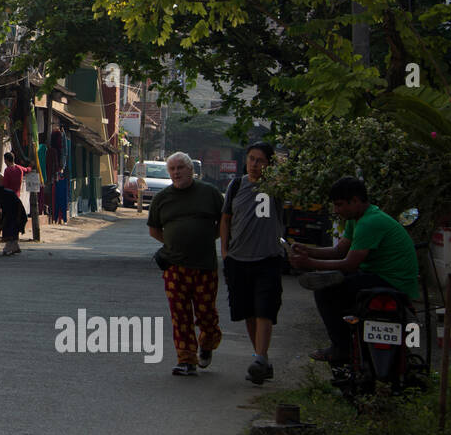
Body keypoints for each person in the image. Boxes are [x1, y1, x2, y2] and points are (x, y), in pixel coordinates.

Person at [289, 176, 420, 365]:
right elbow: (339, 251)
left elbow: (350, 263)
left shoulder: (370, 222)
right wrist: (307, 250)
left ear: (356, 201)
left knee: (325, 291)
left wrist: (309, 263)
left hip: (391, 282)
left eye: (340, 205)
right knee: (335, 281)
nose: (336, 210)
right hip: (377, 276)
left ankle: (341, 348)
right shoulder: (357, 219)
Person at [147, 151, 224, 376]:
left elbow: (225, 223)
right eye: (172, 169)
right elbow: (154, 230)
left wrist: (206, 239)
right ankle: (186, 359)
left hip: (204, 266)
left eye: (180, 167)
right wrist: (174, 245)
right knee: (180, 315)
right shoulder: (162, 198)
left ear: (191, 169)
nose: (176, 172)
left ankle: (208, 343)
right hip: (174, 267)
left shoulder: (209, 193)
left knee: (206, 315)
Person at [220, 142, 286, 385]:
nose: (255, 164)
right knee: (247, 312)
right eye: (251, 159)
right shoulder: (236, 186)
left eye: (260, 160)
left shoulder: (276, 188)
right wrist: (225, 252)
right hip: (238, 260)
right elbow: (225, 220)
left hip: (268, 258)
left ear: (269, 165)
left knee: (265, 310)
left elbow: (294, 187)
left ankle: (259, 358)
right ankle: (262, 359)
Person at [0, 152, 31, 254]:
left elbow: (5, 186)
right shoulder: (19, 168)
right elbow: (28, 170)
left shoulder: (7, 170)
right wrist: (32, 165)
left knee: (8, 223)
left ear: (6, 160)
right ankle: (15, 246)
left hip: (8, 200)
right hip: (17, 199)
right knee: (15, 222)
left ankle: (8, 247)